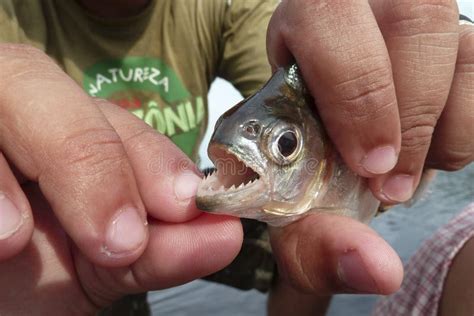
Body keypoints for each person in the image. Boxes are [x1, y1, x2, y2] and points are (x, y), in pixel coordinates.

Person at [0, 0, 472, 315]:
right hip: (41, 251)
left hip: (173, 224)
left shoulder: (218, 8)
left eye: (284, 146)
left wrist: (416, 65)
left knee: (298, 237)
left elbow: (295, 74)